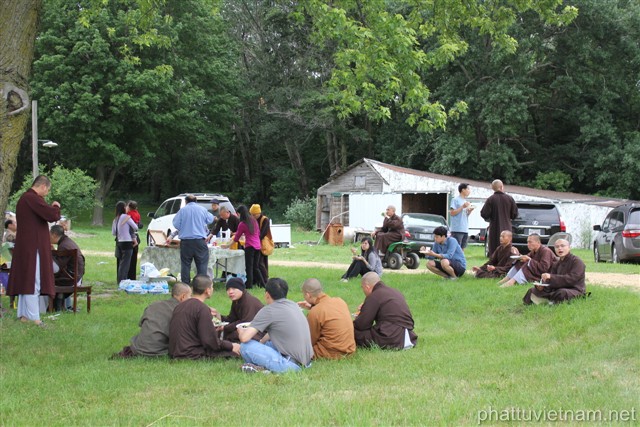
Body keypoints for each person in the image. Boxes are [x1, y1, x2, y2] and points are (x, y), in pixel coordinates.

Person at [7, 175, 61, 326]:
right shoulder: (32, 198)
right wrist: (56, 206)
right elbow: (52, 215)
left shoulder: (25, 199)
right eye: (47, 190)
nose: (46, 193)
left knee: (26, 281)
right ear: (43, 186)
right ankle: (34, 317)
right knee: (32, 281)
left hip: (26, 246)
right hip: (33, 247)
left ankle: (24, 315)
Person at [238, 277, 313, 374]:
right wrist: (261, 342)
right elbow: (276, 331)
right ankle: (266, 367)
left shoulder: (268, 310)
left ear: (267, 294)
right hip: (307, 363)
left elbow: (244, 338)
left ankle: (267, 369)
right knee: (265, 344)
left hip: (290, 366)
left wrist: (241, 331)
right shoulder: (293, 305)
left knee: (245, 346)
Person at [111, 282, 192, 358]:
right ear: (183, 297)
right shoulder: (181, 311)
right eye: (190, 296)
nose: (191, 299)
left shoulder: (154, 305)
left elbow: (141, 324)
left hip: (138, 348)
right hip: (158, 351)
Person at [169, 275, 240, 360]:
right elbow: (209, 341)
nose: (212, 289)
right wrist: (231, 346)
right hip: (190, 354)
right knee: (238, 352)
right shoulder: (202, 308)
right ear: (207, 290)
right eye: (212, 287)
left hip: (175, 351)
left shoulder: (179, 306)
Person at [353, 272, 417, 349]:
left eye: (362, 287)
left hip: (391, 337)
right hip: (409, 335)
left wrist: (359, 315)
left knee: (353, 332)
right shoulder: (395, 291)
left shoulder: (374, 296)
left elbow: (362, 325)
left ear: (367, 287)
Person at [298, 278, 356, 359]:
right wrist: (312, 307)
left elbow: (310, 340)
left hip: (332, 353)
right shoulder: (340, 301)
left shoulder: (315, 312)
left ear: (308, 295)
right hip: (350, 349)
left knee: (296, 350)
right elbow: (327, 311)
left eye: (304, 295)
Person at [167, 194, 214, 284]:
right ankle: (201, 285)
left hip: (186, 242)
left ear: (186, 201)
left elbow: (176, 224)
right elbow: (210, 219)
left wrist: (184, 226)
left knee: (186, 264)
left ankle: (185, 285)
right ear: (196, 201)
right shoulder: (202, 209)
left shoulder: (182, 211)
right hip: (200, 241)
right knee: (202, 265)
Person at [523, 239, 586, 305]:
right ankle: (548, 301)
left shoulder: (577, 261)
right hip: (556, 289)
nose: (560, 248)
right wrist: (542, 287)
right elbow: (551, 281)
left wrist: (551, 277)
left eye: (562, 246)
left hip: (574, 290)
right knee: (532, 291)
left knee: (562, 293)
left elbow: (572, 279)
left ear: (569, 247)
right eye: (557, 247)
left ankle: (546, 301)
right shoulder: (556, 264)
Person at [211, 277, 264, 343]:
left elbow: (245, 322)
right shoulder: (237, 300)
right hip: (246, 327)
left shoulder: (248, 301)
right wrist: (218, 316)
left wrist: (225, 327)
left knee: (232, 335)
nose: (230, 292)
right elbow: (231, 319)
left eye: (234, 289)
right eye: (228, 289)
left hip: (259, 331)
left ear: (241, 289)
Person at [50, 225, 85, 311]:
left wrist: (51, 254)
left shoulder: (64, 246)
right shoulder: (67, 242)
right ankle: (60, 305)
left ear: (54, 235)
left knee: (45, 280)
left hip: (70, 278)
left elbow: (57, 268)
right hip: (76, 275)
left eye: (49, 234)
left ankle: (50, 307)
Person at [480, 179, 518, 256]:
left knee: (494, 250)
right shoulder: (509, 199)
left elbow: (484, 214)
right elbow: (514, 214)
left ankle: (494, 262)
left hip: (494, 228)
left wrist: (490, 218)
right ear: (502, 187)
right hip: (507, 228)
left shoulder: (491, 199)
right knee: (507, 249)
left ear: (493, 188)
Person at [232, 205, 265, 289]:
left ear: (240, 214)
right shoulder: (253, 220)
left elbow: (236, 238)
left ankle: (249, 285)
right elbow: (257, 233)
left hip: (250, 246)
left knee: (249, 267)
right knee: (256, 267)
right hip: (257, 246)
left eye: (237, 214)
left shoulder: (242, 224)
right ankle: (263, 284)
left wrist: (228, 245)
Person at [112, 201, 138, 284]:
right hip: (127, 242)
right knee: (125, 264)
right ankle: (122, 281)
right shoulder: (126, 217)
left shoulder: (115, 219)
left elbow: (113, 233)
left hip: (119, 242)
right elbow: (135, 227)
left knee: (121, 263)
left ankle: (120, 280)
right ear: (123, 208)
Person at [449, 183, 475, 250]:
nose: (469, 191)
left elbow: (465, 215)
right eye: (468, 189)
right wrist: (462, 207)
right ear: (463, 190)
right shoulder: (455, 200)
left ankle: (461, 257)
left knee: (462, 248)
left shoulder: (465, 201)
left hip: (465, 228)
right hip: (457, 229)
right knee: (456, 248)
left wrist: (470, 211)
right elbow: (452, 213)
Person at [250, 204, 271, 280]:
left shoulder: (265, 220)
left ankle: (265, 279)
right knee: (257, 263)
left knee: (261, 263)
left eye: (254, 215)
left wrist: (255, 240)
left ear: (259, 213)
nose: (253, 216)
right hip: (255, 243)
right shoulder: (252, 220)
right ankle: (258, 279)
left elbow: (263, 233)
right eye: (251, 215)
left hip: (262, 244)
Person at [126, 201, 142, 281]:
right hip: (136, 235)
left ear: (129, 207)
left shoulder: (129, 214)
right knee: (134, 259)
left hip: (131, 237)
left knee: (129, 259)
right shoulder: (137, 214)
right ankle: (133, 277)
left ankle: (128, 276)